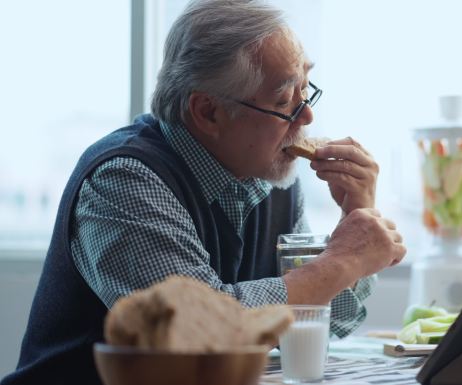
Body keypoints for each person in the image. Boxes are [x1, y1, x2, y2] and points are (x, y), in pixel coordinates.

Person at [1, 1, 406, 384]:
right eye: (285, 99)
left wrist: (356, 220)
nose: (307, 115)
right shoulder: (123, 181)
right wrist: (341, 261)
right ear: (207, 112)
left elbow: (314, 326)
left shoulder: (271, 173)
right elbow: (198, 342)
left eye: (306, 89)